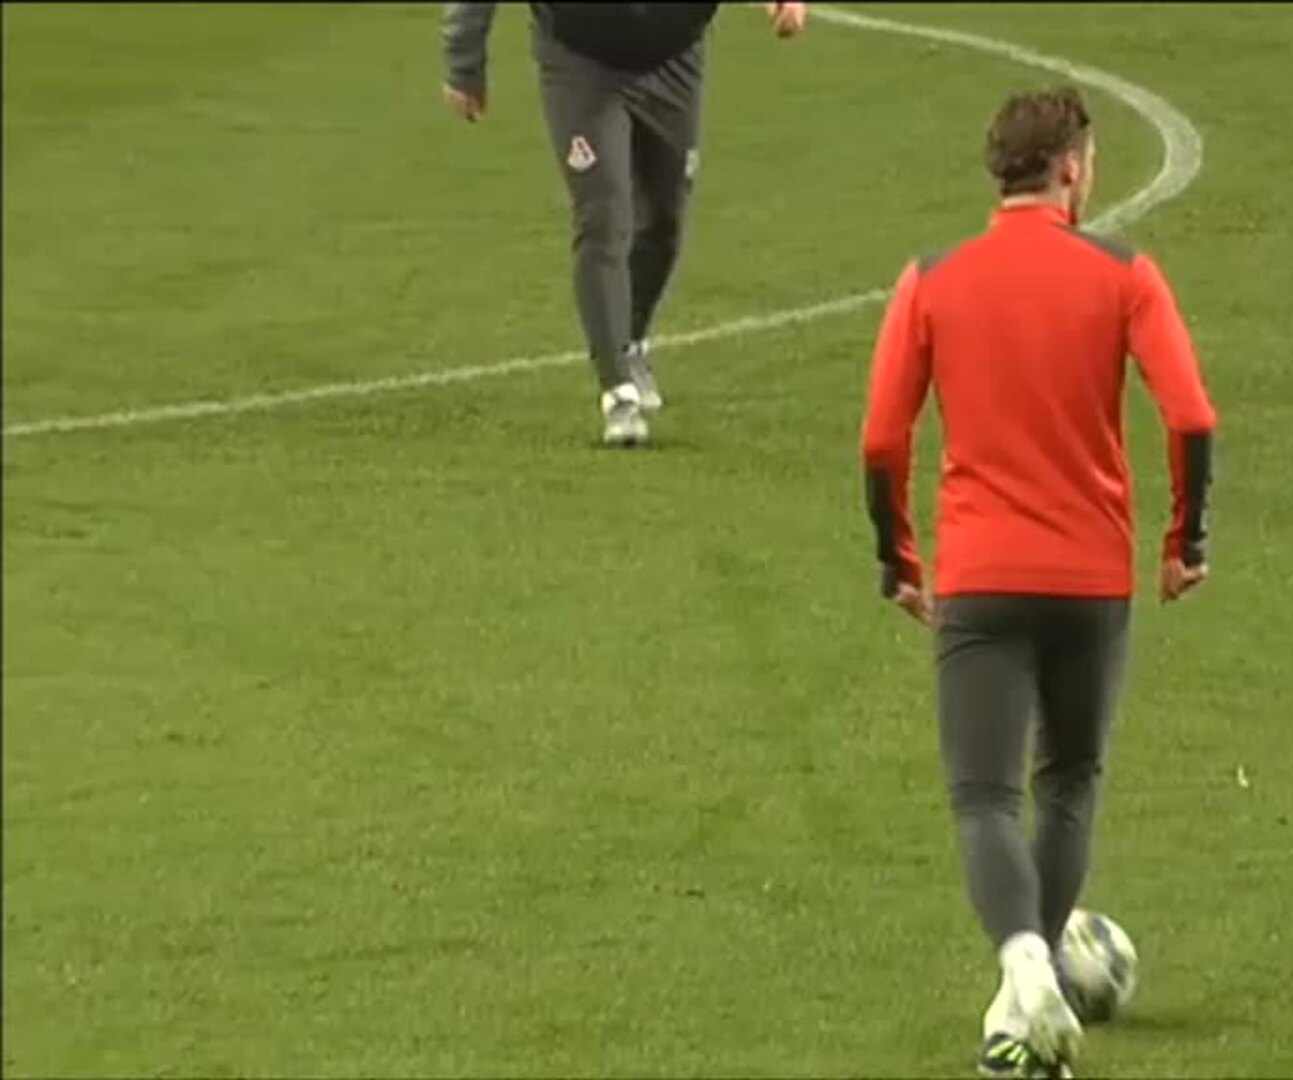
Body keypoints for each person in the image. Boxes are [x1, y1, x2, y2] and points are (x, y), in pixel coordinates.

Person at [858, 86, 1218, 1078]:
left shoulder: (933, 279)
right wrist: (1187, 540)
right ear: (1070, 168)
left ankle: (1023, 976)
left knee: (982, 798)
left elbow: (884, 438)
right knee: (1068, 782)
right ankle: (1033, 996)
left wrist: (899, 560)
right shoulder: (1125, 275)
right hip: (1091, 578)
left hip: (979, 577)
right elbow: (1190, 415)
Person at [441, 2, 809, 447]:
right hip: (581, 64)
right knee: (603, 217)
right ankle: (617, 390)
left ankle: (632, 341)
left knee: (664, 221)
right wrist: (464, 63)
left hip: (673, 59)